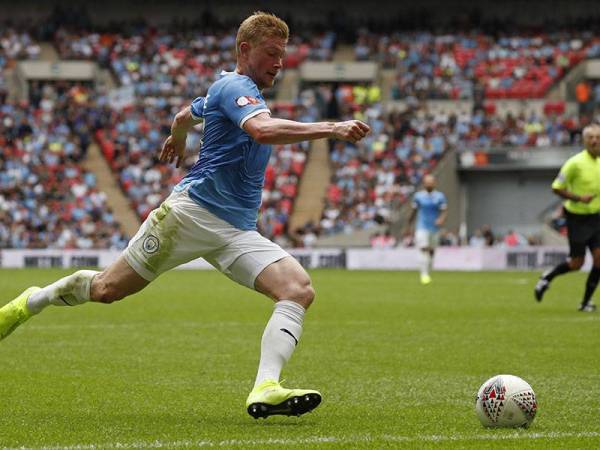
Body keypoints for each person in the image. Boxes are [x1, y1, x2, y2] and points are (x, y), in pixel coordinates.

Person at [0, 12, 370, 419]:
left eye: (283, 54)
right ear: (245, 50)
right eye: (272, 53)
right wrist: (332, 128)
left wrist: (176, 139)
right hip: (189, 216)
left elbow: (183, 116)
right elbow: (262, 131)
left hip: (235, 230)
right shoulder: (234, 86)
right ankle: (31, 302)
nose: (280, 62)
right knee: (107, 290)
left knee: (297, 290)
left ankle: (266, 387)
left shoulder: (233, 93)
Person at [534, 124, 600, 312]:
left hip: (596, 218)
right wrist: (579, 198)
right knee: (576, 263)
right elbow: (556, 187)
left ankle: (585, 302)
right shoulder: (574, 163)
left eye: (597, 137)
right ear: (584, 140)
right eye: (590, 137)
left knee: (599, 260)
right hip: (577, 218)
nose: (595, 140)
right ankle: (547, 276)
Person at [406, 174, 447, 284]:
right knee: (423, 248)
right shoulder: (418, 196)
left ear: (434, 183)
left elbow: (444, 211)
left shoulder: (440, 196)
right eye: (427, 182)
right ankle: (424, 274)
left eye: (431, 182)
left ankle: (427, 271)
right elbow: (413, 211)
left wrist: (441, 219)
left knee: (432, 252)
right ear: (424, 184)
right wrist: (408, 225)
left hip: (434, 227)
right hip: (421, 226)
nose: (429, 183)